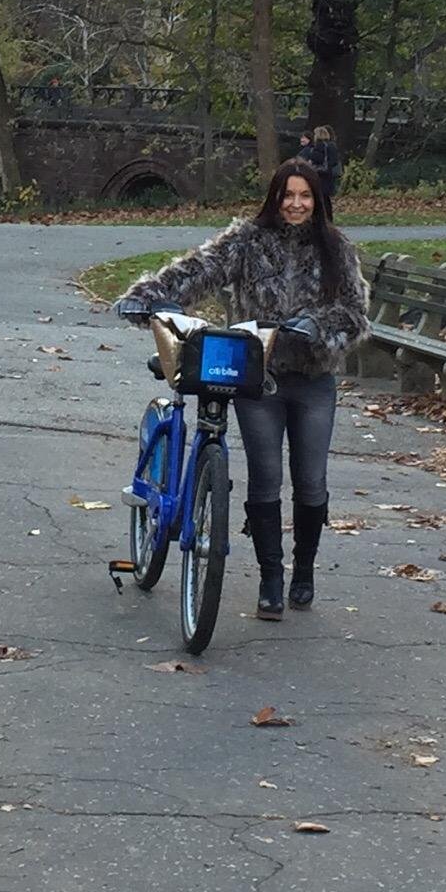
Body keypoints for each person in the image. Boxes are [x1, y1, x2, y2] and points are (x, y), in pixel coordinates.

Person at [114, 161, 368, 619]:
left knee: (311, 482)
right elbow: (197, 270)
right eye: (287, 195)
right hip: (259, 377)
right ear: (274, 198)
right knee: (266, 476)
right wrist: (148, 294)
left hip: (313, 380)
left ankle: (303, 572)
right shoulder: (247, 241)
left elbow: (355, 313)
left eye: (305, 196)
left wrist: (318, 325)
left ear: (317, 200)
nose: (296, 204)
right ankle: (270, 580)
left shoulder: (336, 249)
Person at [298, 121, 341, 202]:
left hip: (321, 174)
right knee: (326, 198)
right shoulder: (331, 145)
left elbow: (316, 158)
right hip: (329, 174)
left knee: (319, 197)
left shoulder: (319, 146)